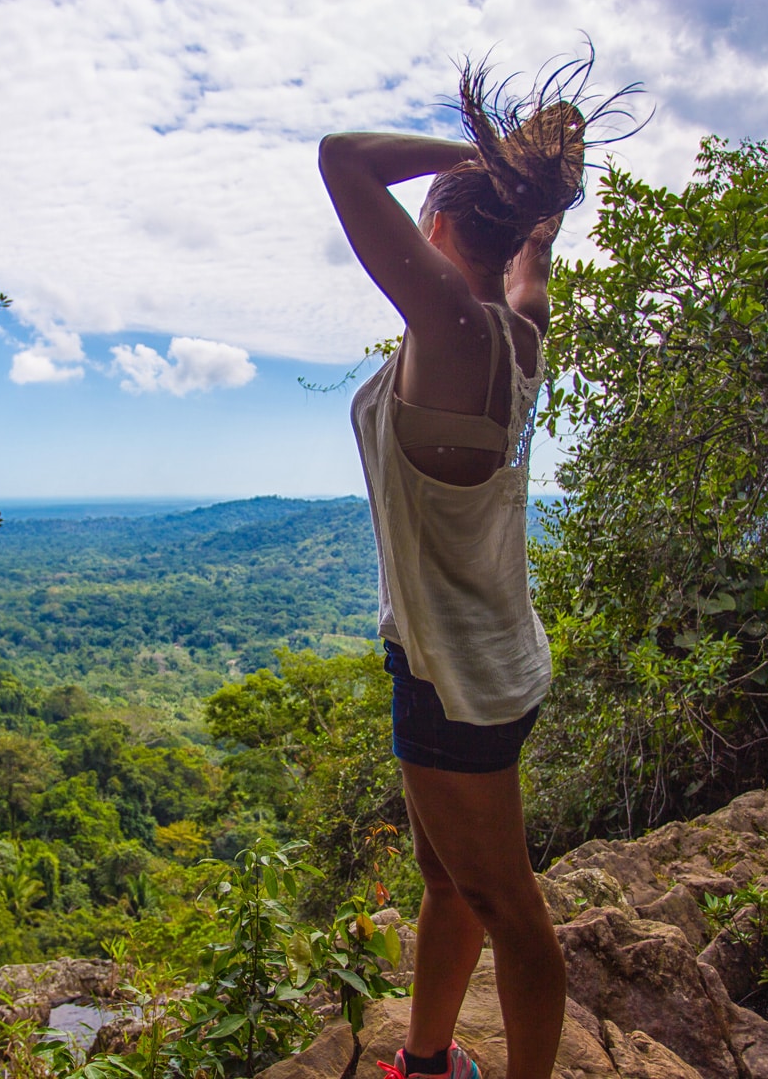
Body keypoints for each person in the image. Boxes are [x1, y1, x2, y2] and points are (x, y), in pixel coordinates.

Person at [319, 57, 623, 1079]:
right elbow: (536, 251)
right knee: (449, 884)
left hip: (460, 686)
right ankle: (428, 1059)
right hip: (464, 657)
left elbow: (342, 160)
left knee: (507, 905)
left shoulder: (451, 327)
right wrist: (531, 193)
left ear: (439, 229)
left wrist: (487, 162)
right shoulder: (516, 328)